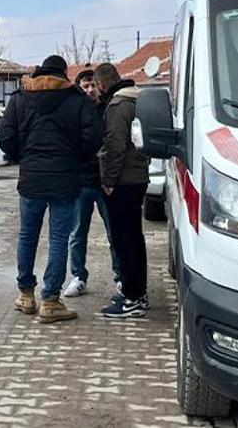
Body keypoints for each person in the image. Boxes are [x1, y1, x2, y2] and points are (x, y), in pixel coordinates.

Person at [0, 54, 101, 324]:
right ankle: (51, 300)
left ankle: (26, 295)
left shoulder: (20, 98)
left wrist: (23, 156)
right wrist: (76, 160)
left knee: (27, 236)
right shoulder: (77, 100)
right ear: (64, 74)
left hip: (31, 177)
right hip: (65, 178)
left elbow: (6, 137)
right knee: (58, 239)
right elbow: (93, 138)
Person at [93, 63, 152, 319]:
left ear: (101, 85)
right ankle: (138, 292)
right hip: (138, 177)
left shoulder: (118, 105)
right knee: (135, 239)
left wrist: (108, 180)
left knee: (124, 240)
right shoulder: (138, 99)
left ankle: (131, 298)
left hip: (123, 182)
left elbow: (114, 146)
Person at [64, 68, 122, 299]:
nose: (89, 90)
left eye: (92, 85)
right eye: (84, 86)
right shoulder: (73, 111)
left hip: (106, 182)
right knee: (77, 233)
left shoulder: (110, 109)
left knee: (114, 233)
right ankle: (78, 276)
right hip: (81, 182)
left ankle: (121, 277)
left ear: (99, 86)